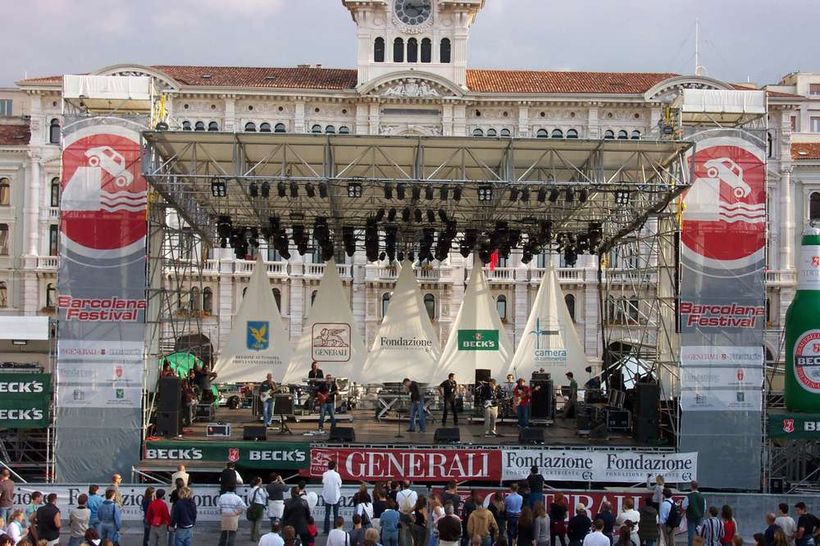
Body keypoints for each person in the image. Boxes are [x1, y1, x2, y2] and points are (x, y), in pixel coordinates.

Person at [322, 461, 342, 534]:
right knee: (335, 514)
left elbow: (323, 482)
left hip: (327, 496)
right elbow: (340, 485)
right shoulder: (337, 475)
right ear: (334, 467)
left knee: (327, 514)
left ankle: (326, 530)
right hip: (335, 496)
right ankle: (335, 529)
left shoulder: (325, 474)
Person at [683, 482, 706, 546]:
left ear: (691, 486)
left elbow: (684, 506)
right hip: (699, 517)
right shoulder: (702, 497)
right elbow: (704, 507)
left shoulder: (688, 496)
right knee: (699, 533)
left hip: (691, 517)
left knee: (691, 534)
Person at [249, 477, 270, 542]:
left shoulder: (251, 489)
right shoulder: (260, 490)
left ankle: (252, 536)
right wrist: (264, 489)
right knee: (258, 522)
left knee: (253, 522)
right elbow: (266, 496)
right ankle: (256, 537)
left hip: (252, 506)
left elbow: (249, 498)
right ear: (258, 482)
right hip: (259, 506)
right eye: (261, 481)